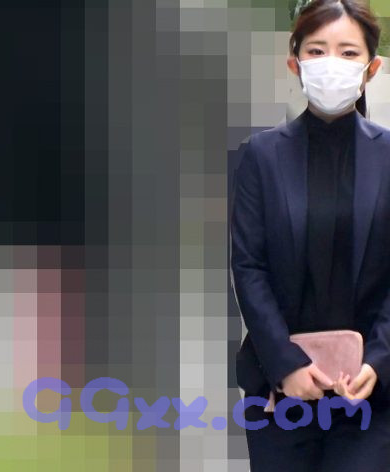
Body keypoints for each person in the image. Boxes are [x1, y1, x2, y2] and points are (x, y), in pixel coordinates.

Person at [230, 0, 390, 470]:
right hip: (281, 390)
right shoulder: (261, 156)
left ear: (372, 67)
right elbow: (249, 266)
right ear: (294, 63)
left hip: (370, 391)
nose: (330, 64)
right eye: (316, 51)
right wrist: (286, 364)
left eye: (347, 52)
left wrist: (378, 361)